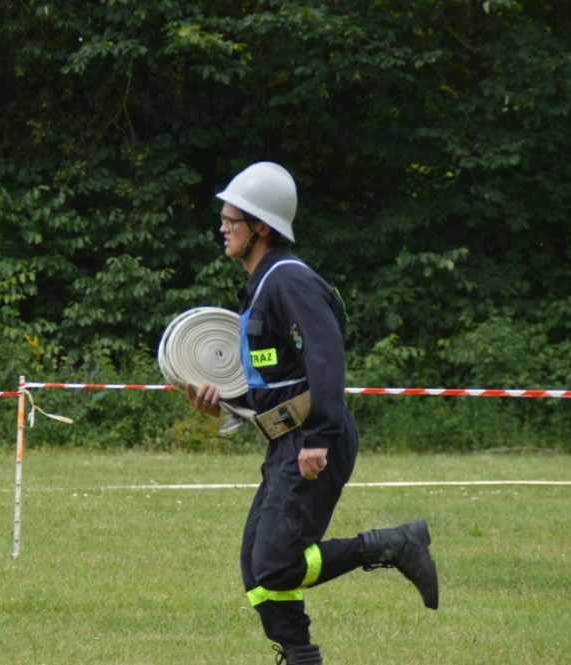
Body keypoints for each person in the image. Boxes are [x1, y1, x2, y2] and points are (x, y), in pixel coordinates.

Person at [187, 162, 439, 665]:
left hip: (314, 438)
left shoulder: (289, 282)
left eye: (231, 220)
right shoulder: (261, 286)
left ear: (260, 226)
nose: (222, 228)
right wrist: (225, 407)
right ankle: (300, 656)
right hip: (289, 439)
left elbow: (326, 359)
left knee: (275, 564)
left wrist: (319, 437)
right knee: (258, 568)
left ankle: (393, 544)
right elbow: (275, 383)